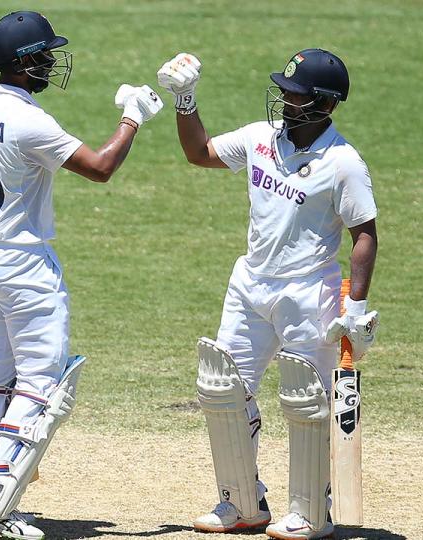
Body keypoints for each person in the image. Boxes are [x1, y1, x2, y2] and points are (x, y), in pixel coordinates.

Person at [0, 11, 163, 540]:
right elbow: (100, 168)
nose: (51, 63)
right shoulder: (30, 121)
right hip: (21, 268)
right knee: (44, 387)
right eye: (44, 55)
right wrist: (132, 117)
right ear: (24, 64)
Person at [156, 49, 379, 539]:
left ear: (323, 104)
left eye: (296, 94)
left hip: (308, 292)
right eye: (284, 89)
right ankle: (242, 502)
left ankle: (310, 511)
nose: (284, 98)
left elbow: (365, 232)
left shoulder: (343, 162)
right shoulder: (261, 138)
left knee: (306, 401)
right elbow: (200, 154)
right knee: (223, 389)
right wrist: (186, 101)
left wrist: (357, 307)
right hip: (249, 283)